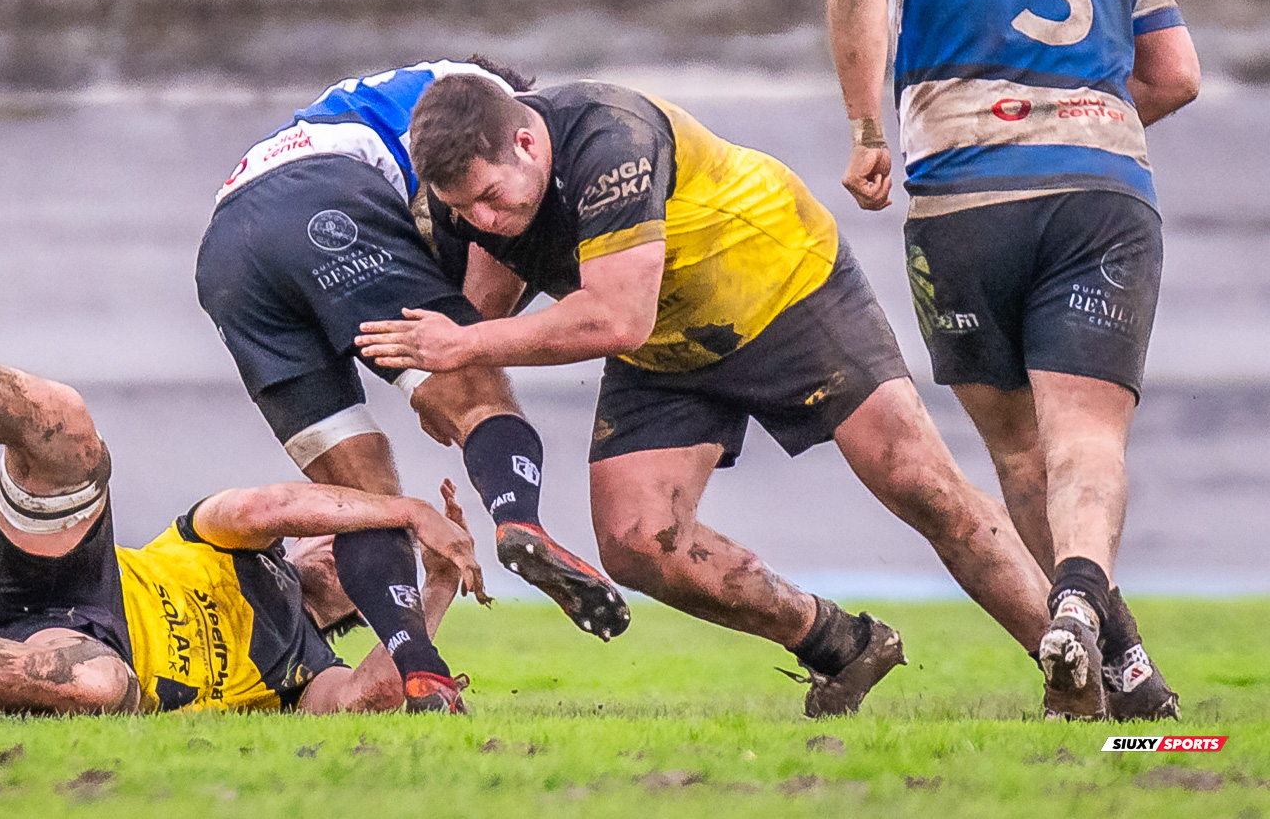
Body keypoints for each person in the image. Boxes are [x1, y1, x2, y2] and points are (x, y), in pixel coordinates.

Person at [356, 74, 1054, 717]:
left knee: (920, 485)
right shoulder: (465, 205)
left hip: (781, 286)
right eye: (462, 209)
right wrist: (449, 389)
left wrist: (463, 347)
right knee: (635, 540)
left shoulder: (611, 141)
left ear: (527, 142)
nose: (480, 218)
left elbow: (613, 318)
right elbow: (486, 311)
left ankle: (1090, 666)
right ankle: (837, 642)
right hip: (668, 343)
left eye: (490, 197)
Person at [824, 0, 1200, 720]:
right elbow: (1177, 75)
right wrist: (1084, 122)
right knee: (1086, 438)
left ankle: (1112, 655)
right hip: (1100, 198)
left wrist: (868, 130)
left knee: (1021, 454)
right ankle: (1092, 617)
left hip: (966, 204)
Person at [0, 289, 481, 716]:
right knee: (64, 420)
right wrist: (404, 511)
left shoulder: (303, 670)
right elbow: (270, 506)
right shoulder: (240, 539)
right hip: (74, 576)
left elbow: (364, 698)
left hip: (91, 653)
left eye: (369, 567)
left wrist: (432, 590)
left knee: (99, 687)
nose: (343, 549)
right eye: (347, 536)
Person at [194, 61, 628, 713]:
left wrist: (428, 376)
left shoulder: (351, 103)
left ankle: (420, 669)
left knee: (363, 496)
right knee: (480, 394)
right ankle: (520, 521)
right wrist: (446, 386)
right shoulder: (487, 108)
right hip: (324, 200)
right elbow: (482, 300)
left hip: (228, 248)